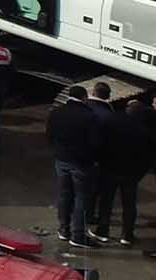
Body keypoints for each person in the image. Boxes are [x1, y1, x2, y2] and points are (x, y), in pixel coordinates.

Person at [48, 84, 102, 246]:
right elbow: (95, 143)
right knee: (81, 198)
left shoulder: (56, 112)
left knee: (64, 195)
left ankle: (63, 230)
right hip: (81, 163)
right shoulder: (89, 116)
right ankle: (78, 235)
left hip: (61, 160)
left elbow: (49, 135)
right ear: (84, 97)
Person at [94, 97, 152, 246]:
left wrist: (101, 163)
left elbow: (102, 145)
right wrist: (139, 173)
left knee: (106, 202)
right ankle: (127, 235)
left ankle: (103, 232)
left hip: (110, 169)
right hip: (131, 174)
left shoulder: (113, 124)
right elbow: (147, 158)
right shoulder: (145, 132)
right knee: (129, 204)